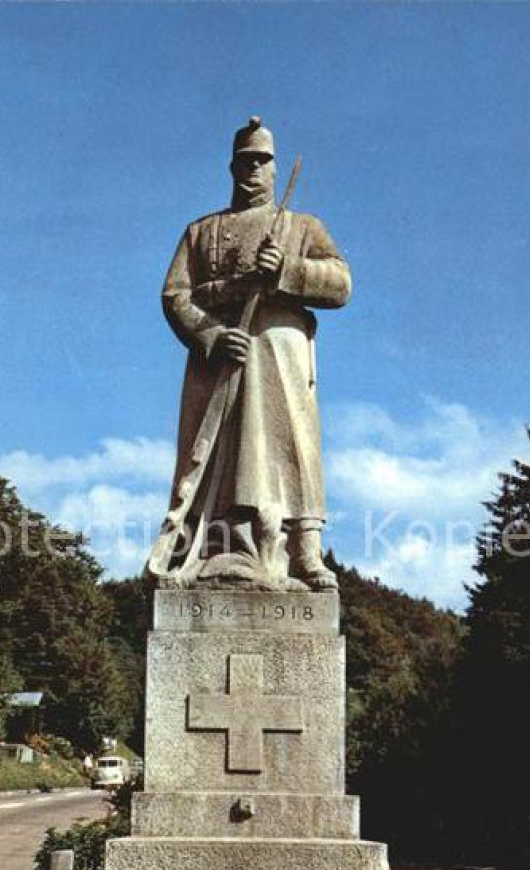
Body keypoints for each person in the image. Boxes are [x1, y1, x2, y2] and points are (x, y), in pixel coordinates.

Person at [149, 116, 351, 591]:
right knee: (220, 453)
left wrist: (286, 269)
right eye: (244, 161)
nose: (252, 169)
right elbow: (175, 294)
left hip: (282, 355)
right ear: (231, 167)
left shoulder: (303, 227)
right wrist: (212, 334)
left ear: (276, 168)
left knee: (292, 449)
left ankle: (303, 553)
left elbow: (341, 283)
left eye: (261, 161)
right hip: (221, 360)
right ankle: (220, 549)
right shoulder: (201, 232)